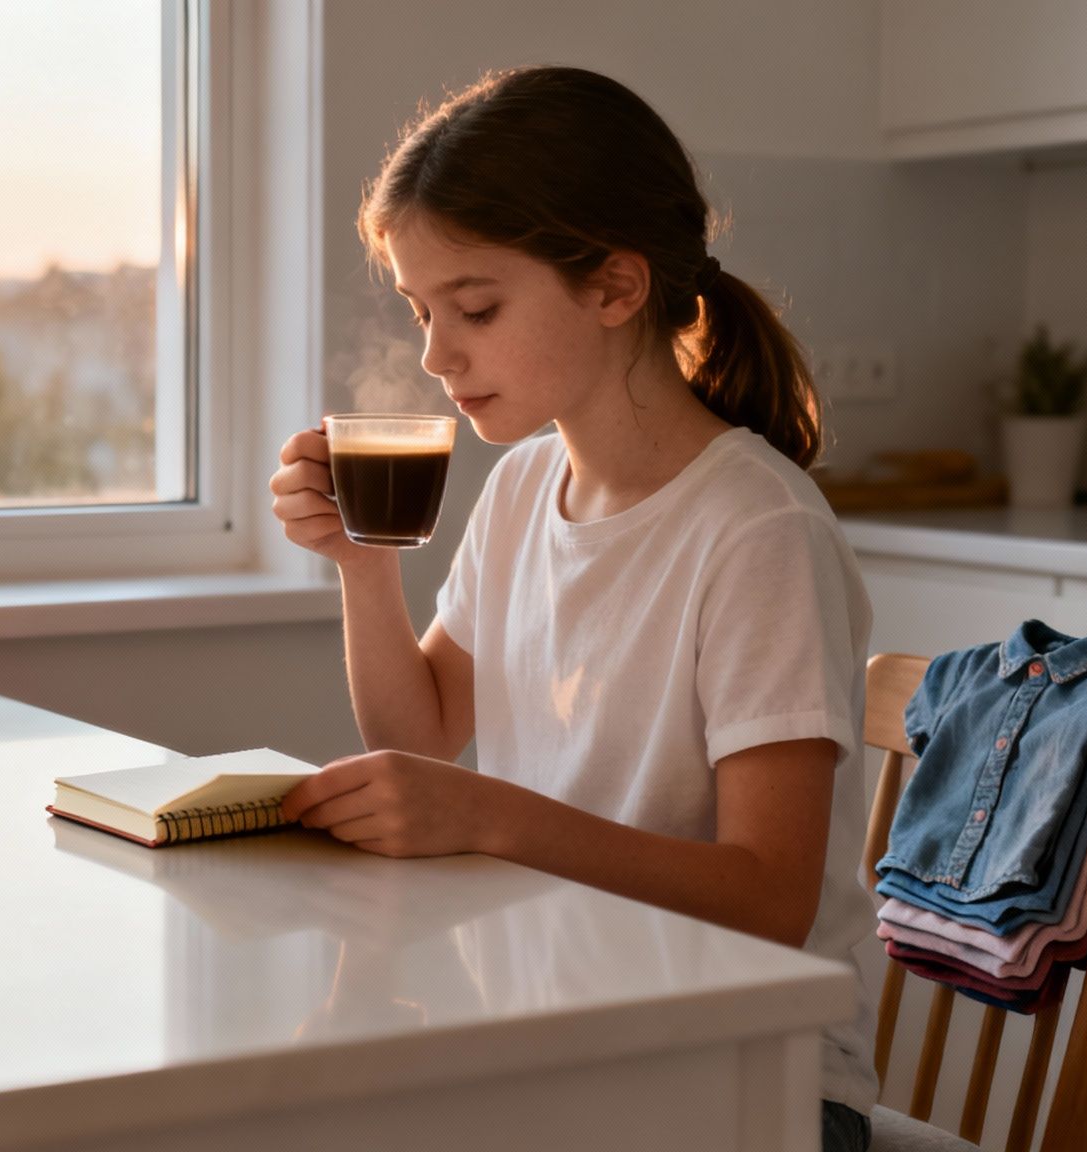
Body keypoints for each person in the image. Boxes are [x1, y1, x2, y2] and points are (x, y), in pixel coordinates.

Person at [269, 66, 876, 1150]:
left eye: (475, 307)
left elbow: (768, 899)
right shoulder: (520, 490)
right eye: (419, 312)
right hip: (564, 1028)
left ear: (613, 288)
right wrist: (361, 561)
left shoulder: (754, 532)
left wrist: (489, 819)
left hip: (747, 1075)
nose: (434, 354)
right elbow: (415, 732)